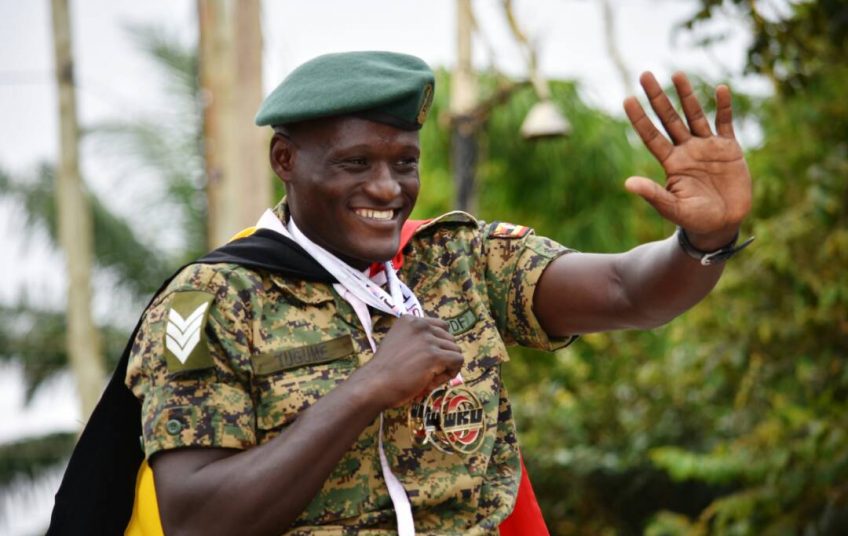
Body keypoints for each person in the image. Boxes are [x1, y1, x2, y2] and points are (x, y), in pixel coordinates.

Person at [51, 51, 753, 535]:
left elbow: (628, 292)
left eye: (405, 163)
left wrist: (703, 240)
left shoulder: (458, 259)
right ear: (285, 160)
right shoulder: (210, 302)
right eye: (356, 162)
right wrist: (367, 389)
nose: (387, 188)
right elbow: (200, 520)